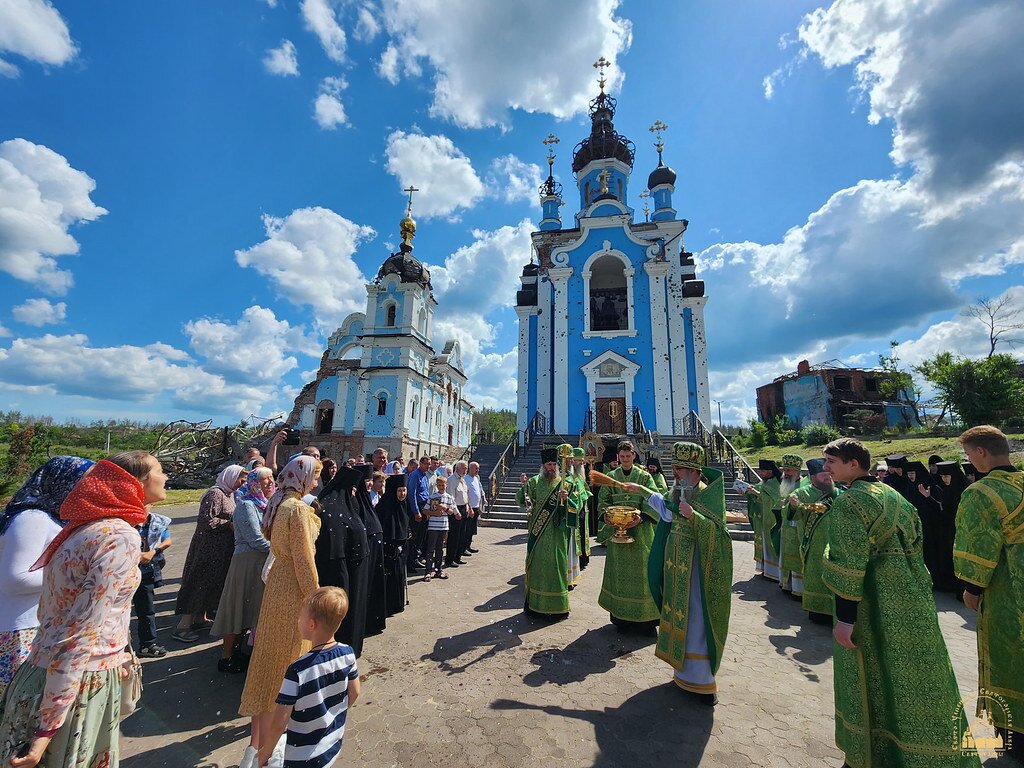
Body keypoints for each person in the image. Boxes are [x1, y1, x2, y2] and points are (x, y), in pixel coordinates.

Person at [0, 451, 167, 768]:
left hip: (40, 669)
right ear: (136, 483)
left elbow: (52, 614)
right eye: (160, 470)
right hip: (76, 685)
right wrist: (46, 731)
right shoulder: (119, 537)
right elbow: (79, 635)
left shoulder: (79, 528)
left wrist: (115, 654)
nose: (167, 477)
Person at [821, 438, 979, 768]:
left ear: (853, 465)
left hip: (872, 600)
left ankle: (869, 753)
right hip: (910, 597)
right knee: (911, 674)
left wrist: (845, 618)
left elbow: (850, 562)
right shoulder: (892, 495)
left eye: (831, 462)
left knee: (872, 673)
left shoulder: (850, 503)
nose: (825, 469)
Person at [632, 442, 732, 705]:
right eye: (674, 468)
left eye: (682, 470)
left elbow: (720, 536)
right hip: (676, 567)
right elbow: (663, 507)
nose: (675, 474)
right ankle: (681, 671)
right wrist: (639, 490)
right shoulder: (677, 492)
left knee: (697, 619)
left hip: (697, 572)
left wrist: (695, 517)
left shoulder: (709, 495)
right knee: (680, 616)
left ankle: (703, 682)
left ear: (696, 472)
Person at [238, 456, 322, 768]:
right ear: (303, 476)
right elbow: (303, 558)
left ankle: (254, 749)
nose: (315, 482)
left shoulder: (277, 501)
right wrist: (316, 599)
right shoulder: (298, 508)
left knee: (268, 666)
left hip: (275, 587)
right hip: (292, 591)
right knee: (286, 667)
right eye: (314, 476)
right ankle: (272, 752)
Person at [953, 425, 1024, 761]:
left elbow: (979, 548)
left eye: (968, 455)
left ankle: (1017, 736)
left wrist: (972, 588)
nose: (969, 461)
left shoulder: (981, 493)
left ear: (980, 452)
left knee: (1009, 657)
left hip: (1008, 593)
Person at [0, 456, 93, 698]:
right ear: (63, 482)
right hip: (18, 629)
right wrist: (75, 577)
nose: (89, 489)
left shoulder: (48, 517)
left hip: (34, 622)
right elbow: (15, 579)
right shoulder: (32, 519)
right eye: (83, 482)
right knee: (18, 702)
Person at [256, 587, 360, 768]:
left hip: (301, 755)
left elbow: (279, 723)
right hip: (331, 743)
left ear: (311, 625)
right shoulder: (347, 654)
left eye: (300, 617)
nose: (298, 621)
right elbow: (355, 692)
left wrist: (266, 752)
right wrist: (331, 714)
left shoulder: (297, 670)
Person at [173, 464, 247, 643]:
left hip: (221, 549)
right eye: (240, 479)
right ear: (231, 476)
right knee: (198, 582)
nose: (241, 483)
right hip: (207, 548)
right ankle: (183, 625)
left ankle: (201, 617)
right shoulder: (216, 493)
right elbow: (206, 519)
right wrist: (228, 524)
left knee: (211, 583)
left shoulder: (229, 494)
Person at [212, 467, 273, 673]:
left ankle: (238, 652)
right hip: (246, 563)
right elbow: (255, 538)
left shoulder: (263, 504)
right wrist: (278, 551)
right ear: (255, 482)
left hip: (259, 562)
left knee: (250, 610)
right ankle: (227, 656)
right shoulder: (247, 505)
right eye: (265, 479)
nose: (270, 482)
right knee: (237, 609)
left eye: (271, 478)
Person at [596, 441, 660, 632]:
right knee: (619, 572)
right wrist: (607, 517)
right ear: (618, 457)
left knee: (643, 573)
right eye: (622, 456)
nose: (625, 459)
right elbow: (602, 500)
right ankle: (621, 618)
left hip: (640, 533)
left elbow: (654, 497)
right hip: (618, 533)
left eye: (628, 456)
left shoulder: (644, 476)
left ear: (634, 455)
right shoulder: (611, 477)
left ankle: (646, 620)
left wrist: (641, 518)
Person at [517, 448, 581, 619]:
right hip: (538, 533)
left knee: (557, 567)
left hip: (557, 535)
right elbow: (522, 500)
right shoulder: (534, 482)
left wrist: (567, 499)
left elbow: (577, 507)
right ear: (543, 465)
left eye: (554, 464)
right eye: (548, 464)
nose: (552, 467)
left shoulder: (566, 484)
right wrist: (523, 486)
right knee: (537, 568)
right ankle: (534, 606)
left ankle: (558, 607)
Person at [316, 466, 369, 657]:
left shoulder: (345, 506)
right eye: (352, 490)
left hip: (352, 568)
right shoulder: (331, 509)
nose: (354, 494)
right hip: (341, 571)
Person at [788, 458, 839, 624]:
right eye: (823, 475)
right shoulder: (801, 494)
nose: (828, 477)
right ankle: (817, 611)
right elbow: (792, 515)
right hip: (813, 544)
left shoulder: (838, 493)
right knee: (816, 576)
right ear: (812, 477)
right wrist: (793, 506)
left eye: (828, 474)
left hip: (835, 544)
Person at [350, 464, 387, 638]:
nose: (370, 484)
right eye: (367, 481)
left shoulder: (367, 500)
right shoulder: (356, 502)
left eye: (372, 480)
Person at [134, 508, 173, 658]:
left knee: (146, 609)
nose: (144, 507)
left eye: (147, 504)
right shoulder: (126, 523)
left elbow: (168, 539)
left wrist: (153, 551)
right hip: (126, 570)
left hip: (146, 571)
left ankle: (147, 644)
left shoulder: (156, 521)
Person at [375, 474, 410, 616]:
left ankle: (398, 603)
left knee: (399, 575)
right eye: (399, 491)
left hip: (402, 549)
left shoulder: (404, 505)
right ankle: (388, 606)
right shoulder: (385, 506)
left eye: (404, 490)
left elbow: (405, 523)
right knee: (391, 577)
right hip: (389, 549)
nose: (402, 494)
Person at [744, 459, 783, 582]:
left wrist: (756, 493)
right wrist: (748, 493)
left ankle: (775, 573)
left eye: (764, 471)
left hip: (771, 519)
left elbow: (774, 501)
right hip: (761, 519)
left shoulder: (778, 484)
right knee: (764, 544)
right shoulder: (764, 483)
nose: (761, 473)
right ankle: (765, 569)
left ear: (771, 471)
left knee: (771, 543)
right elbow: (757, 496)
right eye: (760, 471)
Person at [778, 453, 806, 596]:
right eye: (784, 470)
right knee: (786, 555)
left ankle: (798, 588)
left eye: (788, 470)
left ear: (797, 471)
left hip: (799, 528)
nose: (785, 473)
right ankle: (786, 583)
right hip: (787, 526)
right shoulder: (785, 484)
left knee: (797, 558)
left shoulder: (806, 486)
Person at [424, 476, 458, 581]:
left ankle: (438, 570)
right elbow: (425, 510)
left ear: (446, 485)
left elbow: (452, 512)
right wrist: (434, 513)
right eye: (439, 485)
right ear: (436, 486)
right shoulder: (432, 497)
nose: (441, 487)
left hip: (444, 526)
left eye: (443, 485)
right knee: (430, 549)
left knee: (440, 549)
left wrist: (445, 508)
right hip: (433, 527)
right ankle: (428, 571)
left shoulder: (449, 497)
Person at [405, 457, 431, 574]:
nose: (428, 466)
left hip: (424, 507)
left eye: (429, 464)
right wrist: (416, 511)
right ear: (421, 463)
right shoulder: (415, 475)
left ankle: (416, 558)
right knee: (414, 537)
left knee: (420, 536)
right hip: (417, 509)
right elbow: (412, 494)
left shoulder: (424, 475)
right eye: (426, 464)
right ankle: (409, 562)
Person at [568, 448, 592, 573]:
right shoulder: (570, 476)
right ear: (572, 461)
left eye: (583, 461)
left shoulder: (579, 475)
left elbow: (584, 489)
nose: (582, 463)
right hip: (575, 511)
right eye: (579, 461)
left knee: (583, 534)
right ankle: (579, 560)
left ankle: (584, 559)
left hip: (583, 510)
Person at [446, 461, 470, 570]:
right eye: (464, 468)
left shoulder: (463, 479)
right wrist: (456, 512)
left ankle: (458, 556)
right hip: (456, 509)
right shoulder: (452, 480)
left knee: (462, 534)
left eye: (466, 468)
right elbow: (451, 497)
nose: (465, 470)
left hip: (463, 507)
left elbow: (465, 494)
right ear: (458, 468)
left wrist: (468, 507)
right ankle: (450, 559)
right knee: (454, 535)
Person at [464, 461, 486, 558]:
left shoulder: (476, 478)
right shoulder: (465, 479)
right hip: (469, 508)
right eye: (476, 468)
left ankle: (468, 546)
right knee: (467, 529)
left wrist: (480, 506)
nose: (478, 470)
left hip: (476, 507)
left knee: (472, 529)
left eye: (478, 468)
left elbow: (479, 492)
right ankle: (464, 547)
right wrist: (469, 507)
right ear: (470, 468)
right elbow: (466, 493)